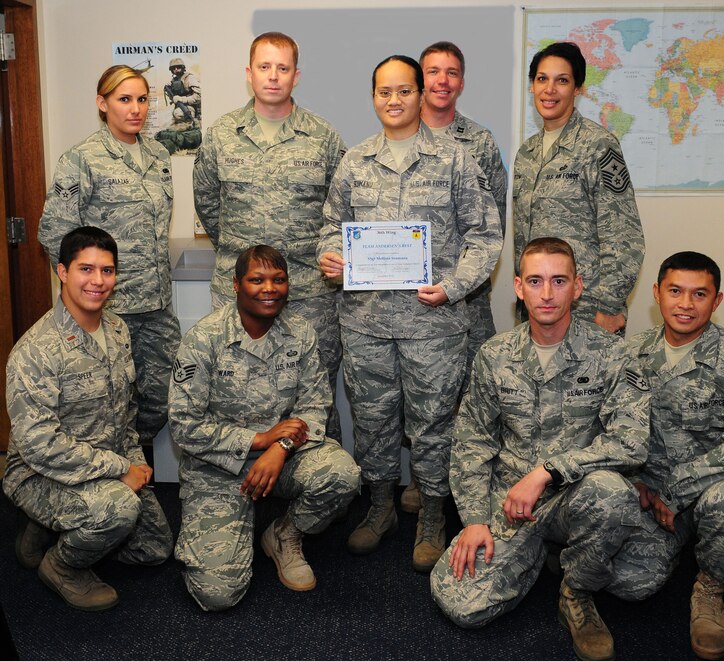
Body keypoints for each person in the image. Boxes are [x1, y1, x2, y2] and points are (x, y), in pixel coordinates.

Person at [318, 55, 502, 573]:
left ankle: (432, 517)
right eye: (383, 92)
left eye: (403, 90)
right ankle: (380, 508)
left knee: (434, 422)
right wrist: (330, 256)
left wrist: (454, 287)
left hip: (434, 324)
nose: (393, 100)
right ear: (373, 97)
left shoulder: (456, 160)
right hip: (366, 322)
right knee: (374, 420)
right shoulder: (355, 161)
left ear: (422, 95)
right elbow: (332, 224)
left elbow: (485, 236)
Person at [430, 238, 649, 661]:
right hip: (511, 504)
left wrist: (548, 470)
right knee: (461, 603)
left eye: (558, 281)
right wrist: (474, 518)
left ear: (578, 286)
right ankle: (537, 555)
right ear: (518, 287)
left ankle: (575, 592)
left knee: (626, 543)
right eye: (535, 281)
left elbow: (631, 441)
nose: (546, 294)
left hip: (576, 497)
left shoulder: (613, 354)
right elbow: (472, 439)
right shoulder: (495, 355)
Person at [169, 245, 360, 612]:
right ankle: (231, 523)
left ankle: (284, 534)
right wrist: (258, 440)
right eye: (257, 280)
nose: (269, 288)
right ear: (236, 285)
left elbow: (315, 404)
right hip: (218, 468)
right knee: (217, 595)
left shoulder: (300, 333)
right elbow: (184, 426)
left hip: (284, 459)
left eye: (279, 280)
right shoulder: (203, 339)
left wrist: (280, 447)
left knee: (340, 474)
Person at [606, 252, 724, 660]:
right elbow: (609, 426)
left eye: (700, 294)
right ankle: (674, 543)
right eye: (675, 291)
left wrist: (678, 489)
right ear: (656, 294)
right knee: (629, 586)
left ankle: (710, 590)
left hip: (714, 486)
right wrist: (633, 479)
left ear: (716, 301)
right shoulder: (630, 353)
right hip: (650, 491)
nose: (686, 304)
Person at [3, 227, 173, 612]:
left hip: (103, 462)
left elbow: (126, 413)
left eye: (108, 271)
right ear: (62, 271)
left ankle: (57, 526)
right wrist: (119, 469)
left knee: (155, 549)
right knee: (119, 510)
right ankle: (61, 566)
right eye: (86, 269)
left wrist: (137, 465)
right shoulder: (37, 351)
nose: (98, 282)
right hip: (39, 472)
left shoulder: (117, 328)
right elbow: (40, 445)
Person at [193, 31, 346, 440]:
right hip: (237, 293)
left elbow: (342, 208)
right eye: (264, 67)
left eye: (283, 68)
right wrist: (240, 255)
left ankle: (318, 484)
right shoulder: (222, 133)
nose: (273, 76)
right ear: (249, 73)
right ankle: (239, 489)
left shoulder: (324, 136)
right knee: (232, 390)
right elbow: (208, 203)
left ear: (296, 76)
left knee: (314, 395)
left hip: (309, 294)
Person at [38, 64, 180, 446]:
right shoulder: (81, 159)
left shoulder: (158, 154)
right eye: (123, 99)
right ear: (103, 104)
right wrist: (87, 291)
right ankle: (115, 476)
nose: (135, 109)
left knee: (166, 394)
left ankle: (134, 455)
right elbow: (55, 232)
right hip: (107, 306)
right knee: (106, 401)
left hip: (156, 304)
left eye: (142, 99)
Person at [396, 41, 508, 516]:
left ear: (462, 82)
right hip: (408, 301)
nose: (443, 81)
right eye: (433, 72)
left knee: (465, 395)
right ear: (420, 82)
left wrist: (459, 281)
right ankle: (424, 482)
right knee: (415, 392)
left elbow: (492, 217)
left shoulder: (477, 142)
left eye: (452, 73)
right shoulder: (397, 133)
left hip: (468, 297)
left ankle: (458, 491)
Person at [513, 42, 644, 334]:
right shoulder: (527, 153)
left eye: (562, 80)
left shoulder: (598, 145)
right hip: (538, 310)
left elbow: (624, 234)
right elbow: (524, 237)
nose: (550, 89)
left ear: (578, 89)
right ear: (532, 86)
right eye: (542, 79)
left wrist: (609, 306)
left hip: (588, 311)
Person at [164, 57, 201, 124]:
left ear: (183, 67)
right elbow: (174, 98)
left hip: (192, 107)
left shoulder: (189, 78)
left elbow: (199, 96)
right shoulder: (174, 81)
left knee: (178, 114)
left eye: (178, 67)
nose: (176, 69)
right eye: (173, 68)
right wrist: (169, 90)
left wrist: (182, 99)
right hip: (181, 107)